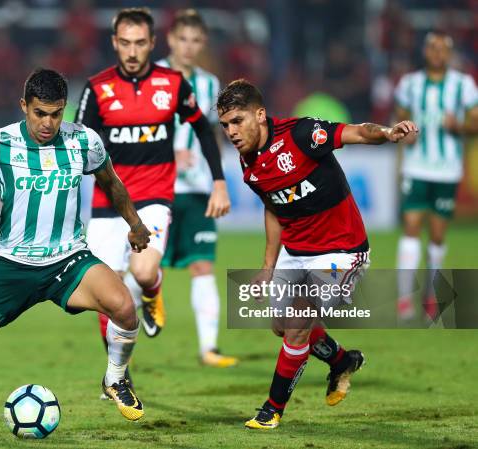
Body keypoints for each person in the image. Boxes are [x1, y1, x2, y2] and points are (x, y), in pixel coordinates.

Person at [0, 68, 151, 432]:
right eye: (40, 113)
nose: (48, 123)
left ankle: (114, 378)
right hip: (12, 264)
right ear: (24, 106)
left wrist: (136, 223)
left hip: (67, 259)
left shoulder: (83, 140)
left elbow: (110, 182)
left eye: (56, 113)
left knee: (126, 309)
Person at [216, 79, 418, 429]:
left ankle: (272, 409)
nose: (231, 132)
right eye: (225, 125)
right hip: (296, 252)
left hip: (341, 251)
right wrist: (268, 264)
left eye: (237, 121)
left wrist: (386, 132)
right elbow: (273, 206)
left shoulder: (301, 135)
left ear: (260, 115)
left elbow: (355, 131)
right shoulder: (248, 161)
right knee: (282, 326)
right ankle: (341, 361)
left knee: (296, 324)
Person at [75, 8, 230, 347]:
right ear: (115, 42)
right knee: (108, 292)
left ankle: (152, 291)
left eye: (140, 43)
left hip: (154, 196)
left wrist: (219, 181)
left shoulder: (172, 84)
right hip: (108, 200)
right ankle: (118, 375)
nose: (132, 52)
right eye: (126, 43)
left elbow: (204, 129)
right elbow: (80, 143)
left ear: (152, 44)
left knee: (144, 272)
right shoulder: (98, 88)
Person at [155, 9, 237, 368]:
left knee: (203, 266)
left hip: (199, 190)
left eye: (195, 41)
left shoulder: (210, 85)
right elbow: (136, 134)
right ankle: (119, 361)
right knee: (142, 268)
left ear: (202, 44)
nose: (188, 47)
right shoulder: (151, 78)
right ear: (171, 39)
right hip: (157, 187)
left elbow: (215, 136)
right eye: (182, 39)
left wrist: (221, 183)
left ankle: (209, 349)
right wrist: (170, 152)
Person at [394, 31, 478, 320]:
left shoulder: (463, 85)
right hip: (416, 167)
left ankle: (430, 295)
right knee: (411, 226)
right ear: (426, 51)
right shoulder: (410, 84)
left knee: (438, 235)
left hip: (447, 170)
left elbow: (475, 125)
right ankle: (404, 297)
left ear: (449, 54)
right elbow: (399, 120)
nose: (438, 53)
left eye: (443, 49)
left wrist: (459, 127)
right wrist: (405, 135)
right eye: (433, 47)